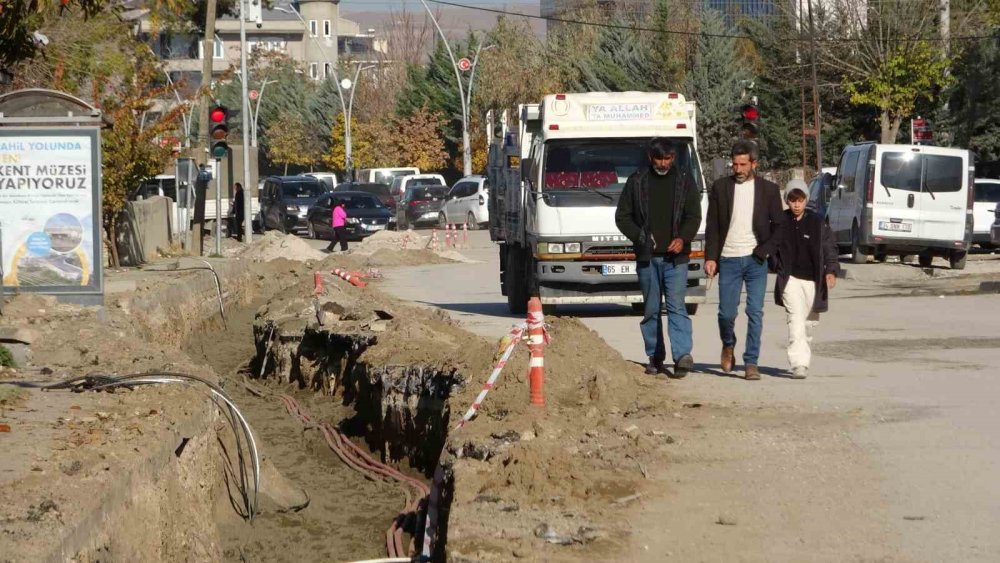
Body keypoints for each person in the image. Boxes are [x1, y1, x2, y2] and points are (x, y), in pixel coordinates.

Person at [615, 137, 702, 378]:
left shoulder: (685, 181)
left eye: (668, 158)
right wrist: (640, 236)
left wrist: (683, 238)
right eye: (659, 158)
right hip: (648, 259)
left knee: (676, 306)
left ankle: (682, 355)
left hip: (676, 259)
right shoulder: (637, 181)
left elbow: (694, 216)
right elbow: (622, 217)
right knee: (652, 310)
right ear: (650, 158)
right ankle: (655, 356)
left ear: (674, 157)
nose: (663, 163)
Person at [704, 140, 784, 381]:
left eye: (743, 164)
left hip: (755, 260)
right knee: (726, 313)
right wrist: (711, 257)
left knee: (755, 312)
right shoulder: (720, 188)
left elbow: (780, 227)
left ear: (754, 164)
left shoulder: (768, 190)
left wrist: (765, 250)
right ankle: (728, 344)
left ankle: (751, 362)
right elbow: (713, 226)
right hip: (728, 259)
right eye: (735, 164)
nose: (738, 169)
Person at [772, 187, 840, 379]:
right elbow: (772, 244)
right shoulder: (781, 221)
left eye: (800, 200)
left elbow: (829, 248)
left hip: (813, 281)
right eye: (792, 200)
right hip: (790, 279)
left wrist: (831, 271)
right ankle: (799, 364)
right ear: (787, 201)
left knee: (809, 323)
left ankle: (803, 354)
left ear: (806, 201)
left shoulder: (817, 222)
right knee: (795, 320)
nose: (796, 205)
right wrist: (776, 265)